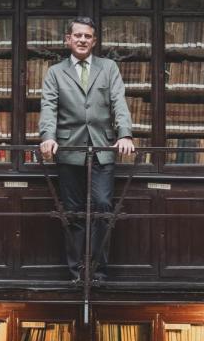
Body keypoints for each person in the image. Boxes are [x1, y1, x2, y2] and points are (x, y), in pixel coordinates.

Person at [39, 16, 135, 282]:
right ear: (68, 39)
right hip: (68, 149)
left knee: (103, 207)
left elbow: (119, 102)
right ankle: (77, 273)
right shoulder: (55, 72)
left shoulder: (109, 68)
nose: (82, 40)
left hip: (103, 148)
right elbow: (48, 107)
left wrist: (125, 134)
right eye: (77, 35)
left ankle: (98, 272)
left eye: (87, 36)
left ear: (94, 41)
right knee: (73, 212)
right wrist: (47, 136)